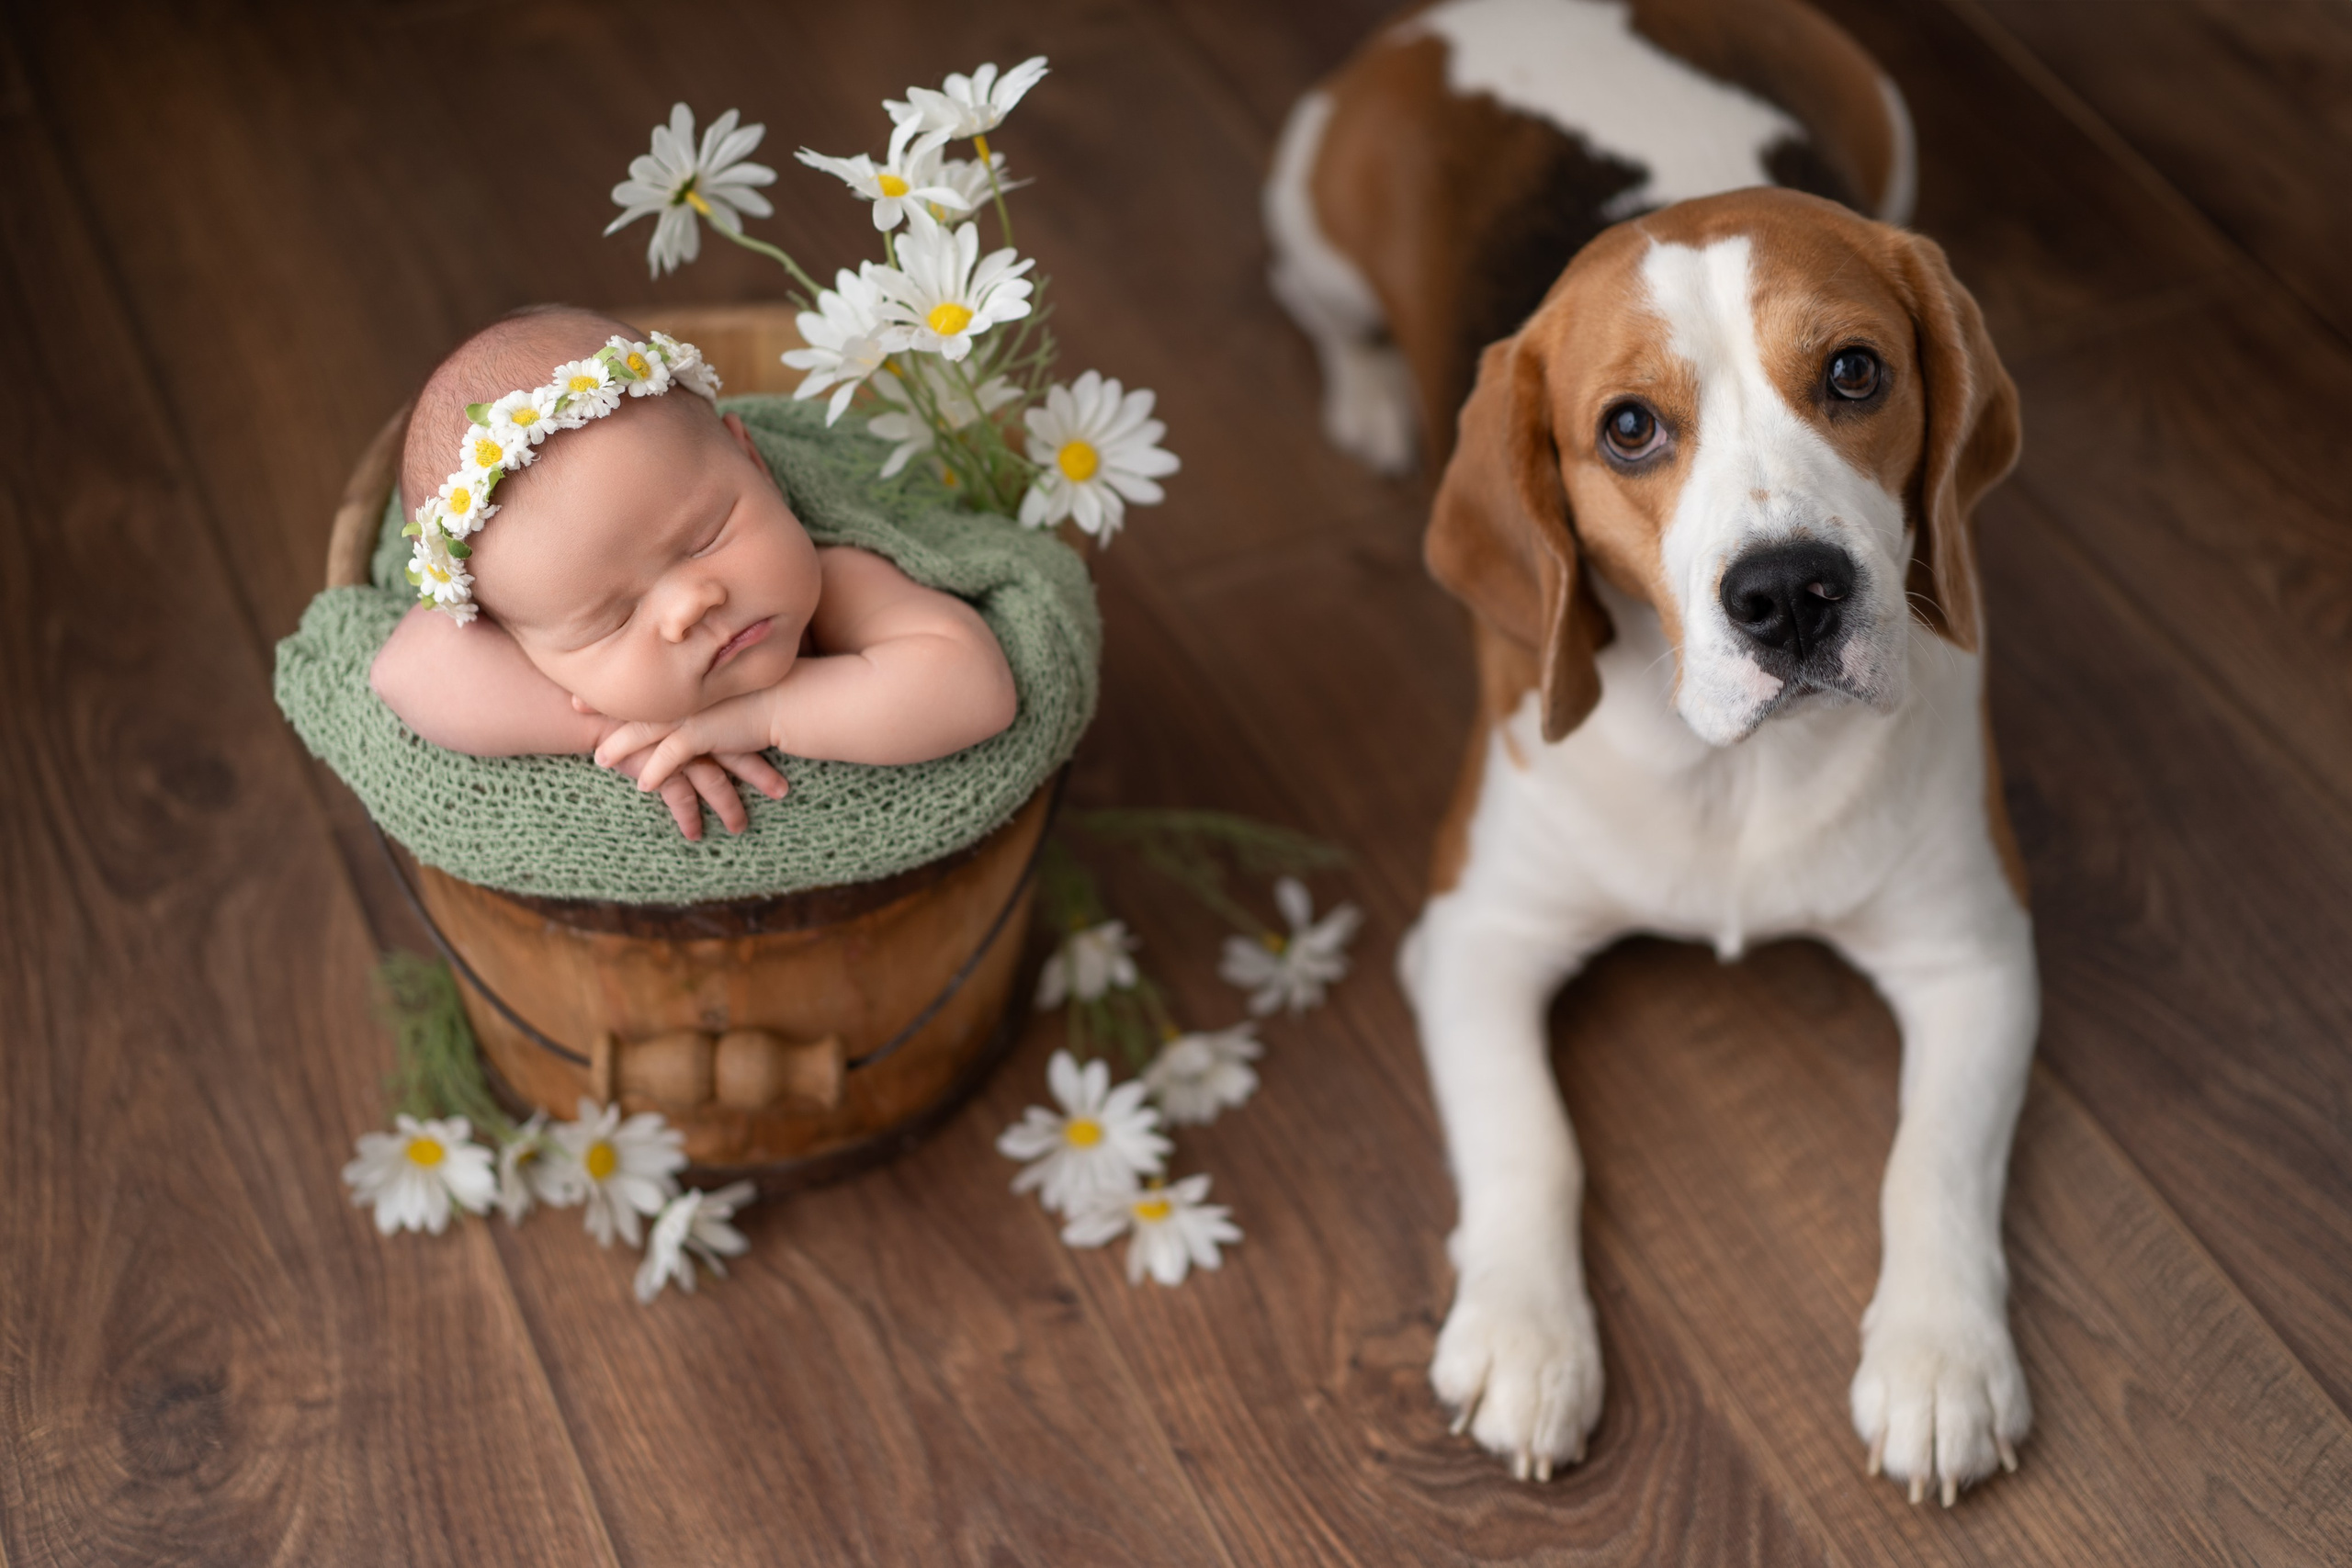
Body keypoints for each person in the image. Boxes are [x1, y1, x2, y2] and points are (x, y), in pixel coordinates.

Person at [369, 306, 1018, 841]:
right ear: (517, 643)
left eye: (706, 539)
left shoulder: (833, 573)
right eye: (615, 617)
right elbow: (403, 670)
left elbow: (973, 687)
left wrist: (766, 713)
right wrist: (618, 732)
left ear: (754, 462)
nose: (690, 605)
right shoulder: (554, 663)